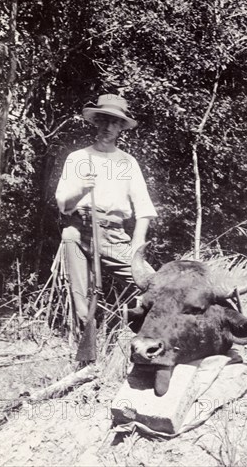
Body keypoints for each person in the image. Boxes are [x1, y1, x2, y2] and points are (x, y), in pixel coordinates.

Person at [55, 93, 157, 327]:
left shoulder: (127, 162)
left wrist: (136, 245)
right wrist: (82, 189)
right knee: (81, 300)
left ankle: (136, 335)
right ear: (96, 122)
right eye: (103, 120)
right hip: (78, 232)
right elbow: (63, 204)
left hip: (113, 235)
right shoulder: (78, 158)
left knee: (152, 284)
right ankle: (86, 355)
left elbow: (144, 207)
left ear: (121, 127)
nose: (108, 127)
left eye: (114, 122)